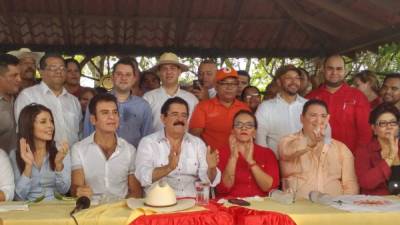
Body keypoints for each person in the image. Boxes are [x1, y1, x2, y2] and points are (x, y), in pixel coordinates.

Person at [135, 97, 220, 197]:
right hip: (160, 204)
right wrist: (169, 167)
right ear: (163, 118)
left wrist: (212, 168)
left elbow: (208, 180)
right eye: (174, 114)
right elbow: (142, 176)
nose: (180, 119)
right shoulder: (148, 142)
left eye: (184, 115)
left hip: (192, 203)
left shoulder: (197, 143)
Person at [278, 99, 359, 199]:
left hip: (334, 207)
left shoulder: (341, 148)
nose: (318, 120)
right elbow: (288, 152)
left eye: (323, 116)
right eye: (313, 115)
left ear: (328, 119)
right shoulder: (286, 141)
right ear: (301, 118)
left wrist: (346, 208)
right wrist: (311, 141)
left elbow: (350, 184)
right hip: (298, 207)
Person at [71, 94, 142, 199]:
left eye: (115, 112)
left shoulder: (129, 150)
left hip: (121, 210)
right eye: (105, 113)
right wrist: (79, 191)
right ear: (93, 119)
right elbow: (76, 188)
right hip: (91, 210)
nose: (112, 117)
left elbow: (136, 192)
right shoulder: (79, 149)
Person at [306, 55, 371, 154]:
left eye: (339, 69)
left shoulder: (358, 97)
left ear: (345, 71)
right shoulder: (310, 97)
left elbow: (365, 132)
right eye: (330, 68)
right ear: (323, 70)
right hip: (317, 157)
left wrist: (358, 157)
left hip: (349, 157)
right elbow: (304, 129)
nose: (334, 72)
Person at [14, 53, 82, 147]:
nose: (58, 71)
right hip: (43, 160)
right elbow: (23, 132)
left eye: (62, 68)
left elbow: (79, 133)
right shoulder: (27, 96)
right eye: (53, 68)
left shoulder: (73, 101)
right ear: (41, 72)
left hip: (72, 158)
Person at [83, 58, 153, 147]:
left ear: (134, 79)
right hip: (100, 157)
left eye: (128, 75)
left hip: (134, 158)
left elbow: (147, 140)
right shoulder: (96, 102)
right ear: (112, 77)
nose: (123, 78)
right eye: (119, 74)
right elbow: (87, 135)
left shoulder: (143, 106)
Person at [9, 104, 71, 201]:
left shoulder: (61, 150)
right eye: (43, 122)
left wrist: (59, 165)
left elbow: (64, 190)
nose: (50, 126)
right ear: (28, 126)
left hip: (56, 208)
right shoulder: (15, 154)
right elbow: (18, 196)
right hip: (27, 211)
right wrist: (28, 166)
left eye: (51, 121)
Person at [216, 110, 279, 198]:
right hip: (230, 204)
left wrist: (251, 161)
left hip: (261, 205)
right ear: (233, 131)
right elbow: (224, 187)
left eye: (249, 125)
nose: (244, 128)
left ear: (254, 132)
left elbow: (269, 187)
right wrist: (233, 158)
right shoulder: (221, 153)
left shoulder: (267, 153)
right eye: (239, 125)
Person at [189, 68, 250, 152]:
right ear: (216, 86)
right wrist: (208, 152)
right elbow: (194, 136)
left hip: (238, 157)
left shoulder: (244, 108)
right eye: (224, 83)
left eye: (233, 84)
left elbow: (250, 136)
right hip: (210, 158)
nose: (229, 87)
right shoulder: (203, 106)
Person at [255, 65, 307, 157]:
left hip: (306, 163)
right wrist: (268, 163)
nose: (294, 82)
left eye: (297, 78)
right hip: (276, 164)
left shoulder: (308, 105)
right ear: (279, 82)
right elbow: (260, 140)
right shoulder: (266, 107)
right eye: (289, 78)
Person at [144, 52, 198, 131]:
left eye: (172, 68)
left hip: (185, 142)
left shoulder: (192, 99)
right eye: (165, 69)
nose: (169, 72)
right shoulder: (148, 98)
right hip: (155, 143)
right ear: (159, 73)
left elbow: (195, 128)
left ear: (179, 72)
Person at [355, 103, 400, 195]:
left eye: (393, 122)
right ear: (374, 129)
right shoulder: (364, 150)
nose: (389, 127)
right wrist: (391, 157)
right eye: (383, 123)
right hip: (377, 203)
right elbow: (366, 183)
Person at [0, 54, 21, 153]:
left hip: (23, 163)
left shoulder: (22, 98)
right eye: (14, 75)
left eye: (19, 75)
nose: (19, 79)